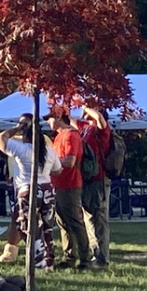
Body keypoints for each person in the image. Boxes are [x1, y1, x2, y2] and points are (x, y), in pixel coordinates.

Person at [0, 114, 61, 268]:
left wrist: (17, 127)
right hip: (48, 190)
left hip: (28, 190)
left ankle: (38, 260)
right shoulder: (49, 151)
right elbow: (58, 170)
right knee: (47, 226)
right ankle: (49, 260)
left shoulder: (22, 148)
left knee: (29, 226)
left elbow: (0, 139)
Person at [47, 110, 94, 270]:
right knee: (62, 223)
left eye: (50, 118)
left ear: (59, 118)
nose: (48, 122)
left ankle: (85, 258)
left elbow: (70, 161)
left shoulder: (70, 135)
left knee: (75, 222)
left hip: (70, 185)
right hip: (58, 185)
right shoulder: (58, 137)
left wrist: (50, 163)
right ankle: (69, 257)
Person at [79, 106, 111, 268]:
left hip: (99, 180)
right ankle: (95, 253)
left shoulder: (102, 130)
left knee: (99, 219)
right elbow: (71, 121)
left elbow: (98, 117)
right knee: (89, 218)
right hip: (87, 180)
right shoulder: (86, 129)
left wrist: (85, 106)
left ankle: (102, 258)